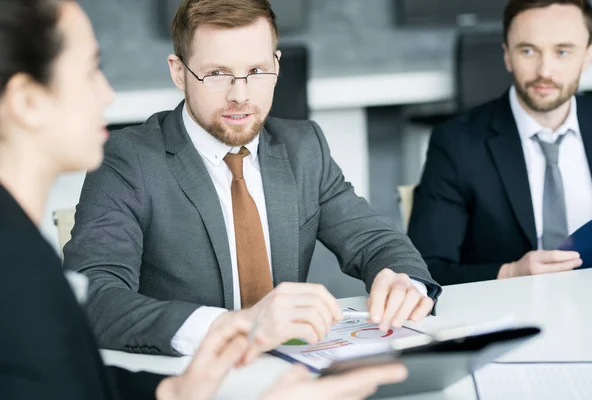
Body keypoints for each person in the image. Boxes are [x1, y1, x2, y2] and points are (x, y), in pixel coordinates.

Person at [0, 0, 408, 398]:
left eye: (256, 71)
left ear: (277, 66)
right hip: (201, 376)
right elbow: (97, 297)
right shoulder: (128, 158)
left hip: (282, 375)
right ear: (179, 73)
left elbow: (376, 240)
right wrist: (234, 326)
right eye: (217, 74)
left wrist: (404, 281)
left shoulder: (304, 146)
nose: (240, 95)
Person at [408, 0, 592, 285]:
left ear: (587, 56)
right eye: (528, 50)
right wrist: (510, 273)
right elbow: (424, 269)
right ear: (507, 55)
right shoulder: (456, 143)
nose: (545, 70)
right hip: (512, 315)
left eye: (562, 51)